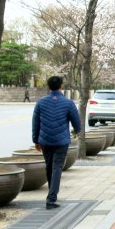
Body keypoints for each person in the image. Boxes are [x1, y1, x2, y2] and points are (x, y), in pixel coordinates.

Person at [31, 76, 81, 210]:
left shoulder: (40, 102)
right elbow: (77, 123)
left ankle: (51, 194)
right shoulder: (68, 103)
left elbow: (35, 123)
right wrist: (76, 131)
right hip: (61, 141)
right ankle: (51, 199)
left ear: (48, 87)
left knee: (49, 166)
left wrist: (35, 140)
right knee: (57, 167)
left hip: (45, 141)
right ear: (61, 87)